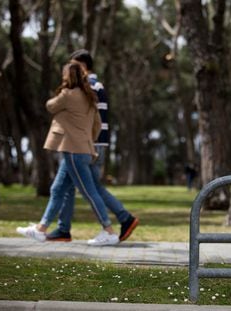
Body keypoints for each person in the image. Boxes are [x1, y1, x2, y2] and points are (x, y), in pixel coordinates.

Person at [17, 61, 120, 245]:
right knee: (57, 189)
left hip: (74, 152)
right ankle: (41, 230)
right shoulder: (90, 96)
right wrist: (86, 139)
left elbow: (50, 106)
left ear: (68, 76)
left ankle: (109, 232)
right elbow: (97, 125)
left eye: (64, 73)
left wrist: (63, 90)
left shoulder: (68, 94)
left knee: (89, 192)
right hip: (83, 149)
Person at [44, 49, 138, 244]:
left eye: (74, 66)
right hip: (91, 143)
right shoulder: (96, 85)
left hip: (86, 145)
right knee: (69, 187)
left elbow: (82, 119)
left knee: (91, 188)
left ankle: (122, 219)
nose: (70, 71)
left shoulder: (88, 86)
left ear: (83, 66)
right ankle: (63, 229)